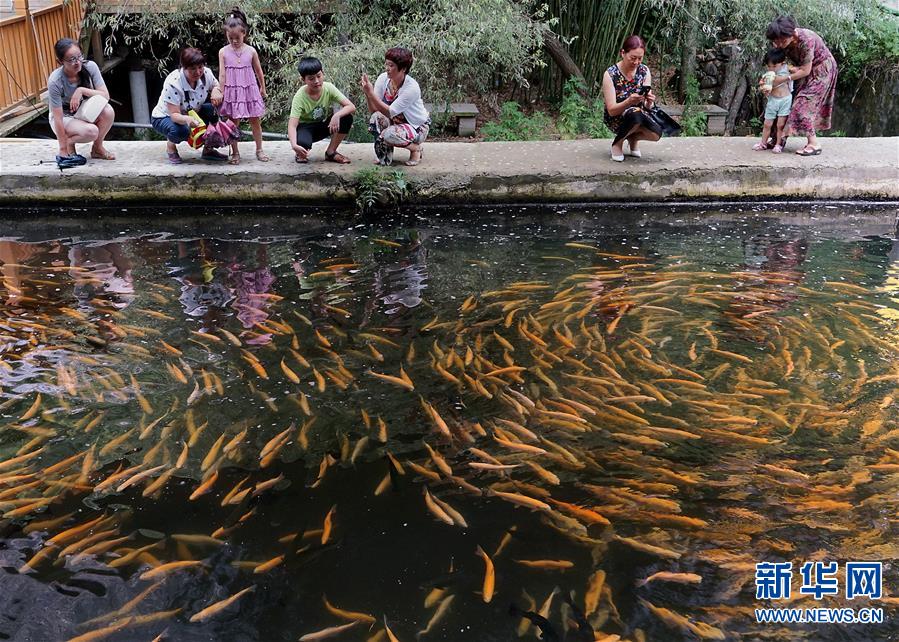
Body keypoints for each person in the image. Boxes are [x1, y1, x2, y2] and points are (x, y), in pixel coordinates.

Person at [764, 15, 838, 156]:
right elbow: (780, 63)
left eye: (782, 41)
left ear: (791, 34)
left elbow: (806, 70)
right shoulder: (780, 42)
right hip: (803, 70)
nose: (778, 44)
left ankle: (814, 144)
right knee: (787, 102)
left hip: (822, 70)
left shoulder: (806, 39)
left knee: (803, 104)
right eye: (775, 41)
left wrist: (784, 79)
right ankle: (779, 140)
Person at [151, 47, 227, 164]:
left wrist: (217, 90)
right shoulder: (173, 82)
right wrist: (187, 119)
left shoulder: (206, 73)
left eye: (200, 67)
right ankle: (171, 147)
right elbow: (174, 115)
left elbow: (216, 85)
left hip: (193, 112)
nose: (198, 72)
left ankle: (208, 150)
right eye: (192, 69)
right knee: (181, 131)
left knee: (213, 110)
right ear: (183, 67)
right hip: (165, 117)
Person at [48, 38, 116, 164]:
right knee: (91, 131)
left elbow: (105, 96)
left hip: (83, 110)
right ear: (60, 61)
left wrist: (81, 90)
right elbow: (58, 118)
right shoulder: (55, 81)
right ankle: (68, 144)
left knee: (108, 111)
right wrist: (62, 149)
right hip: (65, 116)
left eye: (79, 56)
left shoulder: (90, 67)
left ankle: (97, 148)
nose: (77, 62)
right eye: (72, 59)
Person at [360, 47, 430, 166]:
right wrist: (368, 94)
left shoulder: (411, 87)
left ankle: (415, 149)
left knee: (389, 134)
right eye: (386, 64)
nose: (387, 68)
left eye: (391, 65)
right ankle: (385, 156)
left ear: (403, 69)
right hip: (395, 123)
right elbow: (374, 111)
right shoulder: (383, 79)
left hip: (417, 128)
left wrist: (371, 93)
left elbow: (390, 112)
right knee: (375, 119)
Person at [217, 6, 268, 164]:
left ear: (244, 33)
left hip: (249, 89)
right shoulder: (223, 52)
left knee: (255, 121)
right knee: (233, 123)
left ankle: (259, 149)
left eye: (237, 37)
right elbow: (222, 74)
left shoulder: (251, 51)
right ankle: (235, 153)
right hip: (232, 91)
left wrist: (262, 88)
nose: (233, 40)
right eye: (230, 37)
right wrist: (221, 91)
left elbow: (259, 71)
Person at [601, 35, 660, 162]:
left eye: (640, 58)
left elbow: (646, 107)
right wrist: (628, 102)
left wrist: (649, 102)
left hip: (639, 114)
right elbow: (611, 110)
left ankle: (633, 138)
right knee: (635, 114)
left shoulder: (644, 71)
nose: (636, 62)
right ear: (623, 53)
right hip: (617, 118)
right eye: (633, 58)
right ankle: (617, 143)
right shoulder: (610, 74)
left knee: (656, 133)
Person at [287, 56, 356, 164]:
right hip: (305, 128)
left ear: (323, 73)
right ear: (303, 79)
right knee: (302, 143)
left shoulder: (328, 88)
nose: (316, 81)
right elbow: (292, 125)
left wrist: (336, 116)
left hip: (322, 125)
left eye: (319, 76)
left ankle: (331, 152)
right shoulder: (300, 96)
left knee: (346, 117)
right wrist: (294, 145)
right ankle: (301, 152)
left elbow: (351, 106)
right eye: (311, 78)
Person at [753, 48, 793, 153]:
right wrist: (763, 89)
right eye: (769, 66)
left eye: (774, 66)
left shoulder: (787, 69)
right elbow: (763, 86)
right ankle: (763, 143)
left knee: (780, 125)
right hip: (773, 99)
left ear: (782, 63)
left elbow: (799, 71)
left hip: (785, 99)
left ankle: (778, 144)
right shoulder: (767, 75)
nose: (771, 68)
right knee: (767, 123)